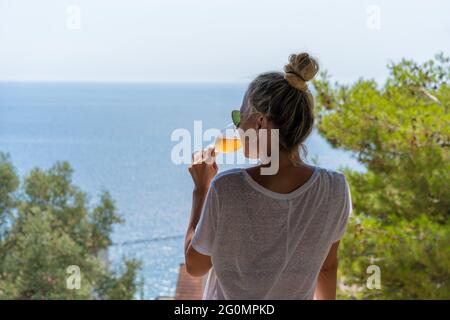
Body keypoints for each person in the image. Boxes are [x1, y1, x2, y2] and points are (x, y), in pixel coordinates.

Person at [184, 52, 353, 300]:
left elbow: (195, 266)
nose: (237, 127)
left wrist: (201, 190)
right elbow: (327, 269)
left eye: (239, 117)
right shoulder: (335, 188)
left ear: (261, 122)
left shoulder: (227, 188)